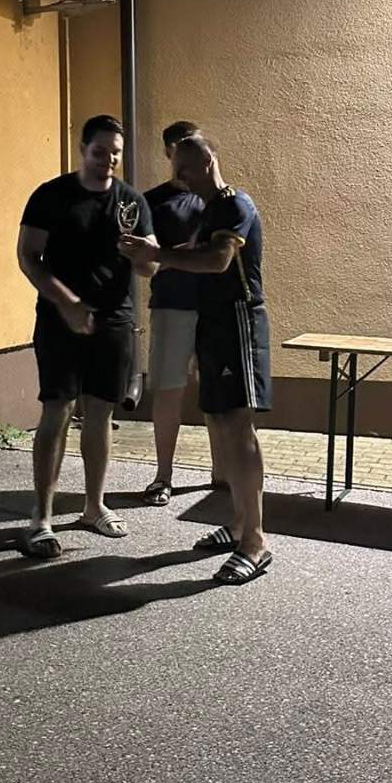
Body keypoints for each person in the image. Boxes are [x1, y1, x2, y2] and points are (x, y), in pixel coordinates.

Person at [121, 133, 271, 585]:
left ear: (206, 162)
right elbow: (192, 253)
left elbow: (219, 260)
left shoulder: (234, 204)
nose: (179, 177)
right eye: (176, 169)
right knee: (221, 421)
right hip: (213, 321)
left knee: (238, 426)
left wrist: (158, 254)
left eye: (184, 168)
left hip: (238, 321)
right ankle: (239, 524)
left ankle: (256, 542)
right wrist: (150, 256)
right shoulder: (210, 211)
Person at [16, 114, 157, 558]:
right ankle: (41, 518)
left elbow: (149, 267)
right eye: (100, 151)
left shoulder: (132, 202)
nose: (108, 160)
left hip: (114, 321)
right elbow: (28, 256)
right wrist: (68, 302)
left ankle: (94, 507)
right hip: (60, 320)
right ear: (82, 150)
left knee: (100, 415)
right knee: (56, 413)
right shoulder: (51, 196)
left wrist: (142, 255)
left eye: (115, 153)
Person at [140, 119, 224, 505]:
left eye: (194, 148)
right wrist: (184, 254)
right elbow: (146, 263)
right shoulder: (151, 201)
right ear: (168, 153)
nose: (186, 160)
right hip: (171, 306)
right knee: (168, 393)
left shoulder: (220, 200)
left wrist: (179, 255)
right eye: (179, 150)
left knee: (217, 393)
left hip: (215, 309)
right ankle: (163, 477)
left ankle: (221, 474)